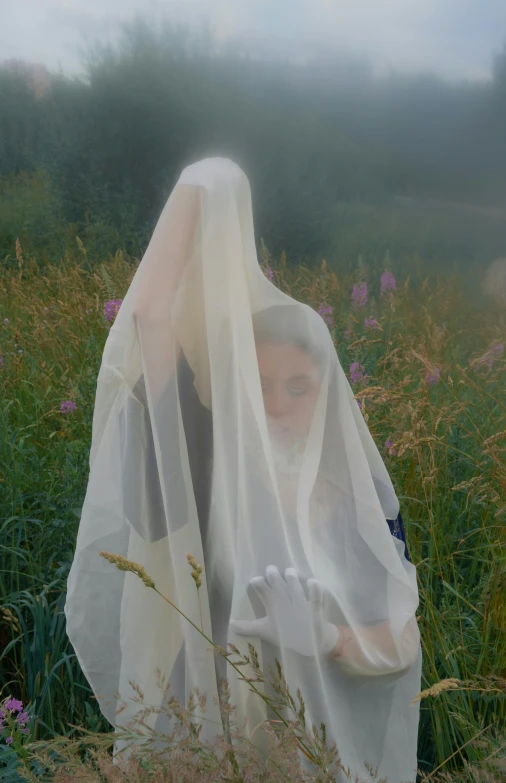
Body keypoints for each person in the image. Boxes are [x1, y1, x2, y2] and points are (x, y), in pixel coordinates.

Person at [65, 157, 422, 783]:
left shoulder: (358, 503)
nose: (279, 406)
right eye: (259, 388)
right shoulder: (207, 469)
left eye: (299, 388)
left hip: (309, 748)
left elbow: (401, 643)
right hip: (204, 729)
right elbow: (149, 313)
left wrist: (328, 640)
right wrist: (206, 187)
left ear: (328, 395)